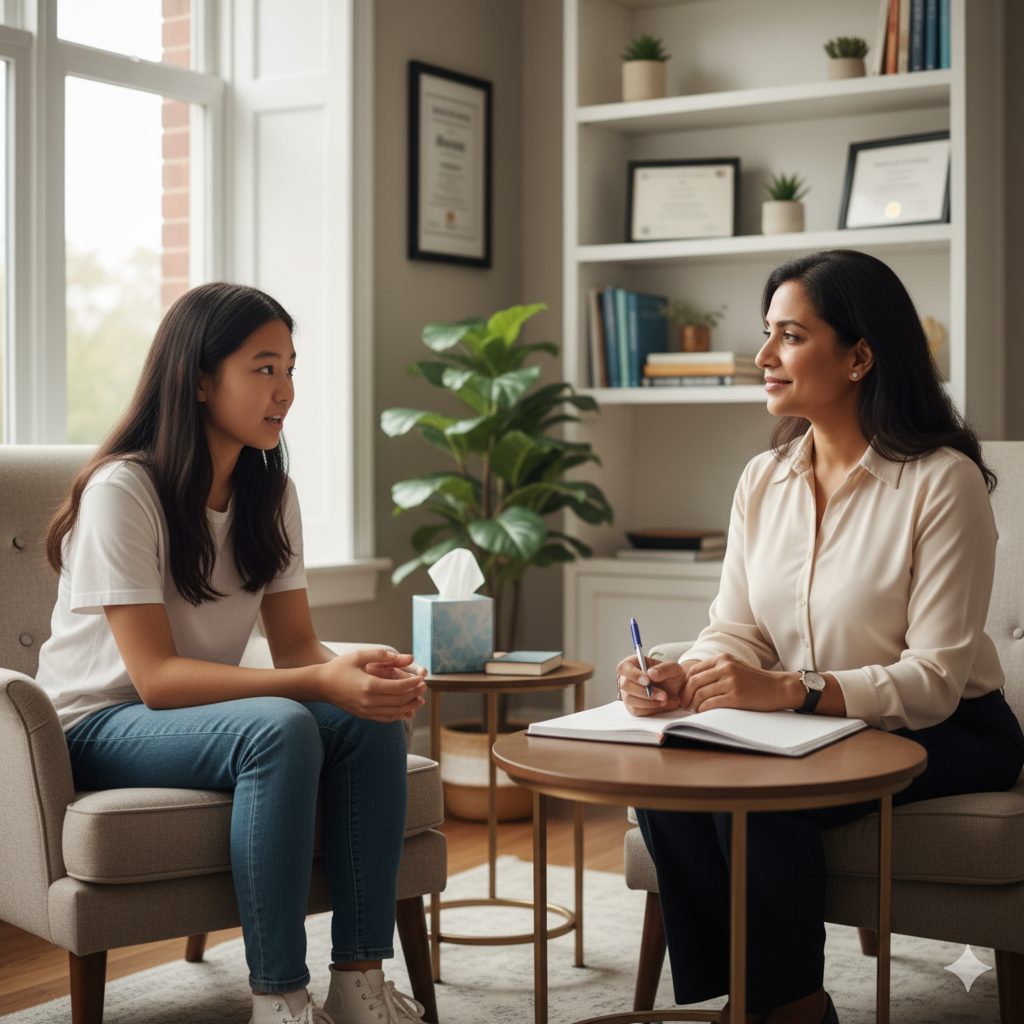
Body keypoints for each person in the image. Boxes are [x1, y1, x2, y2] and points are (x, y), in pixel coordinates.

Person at [616, 250, 1024, 1024]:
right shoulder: (761, 480)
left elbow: (935, 678)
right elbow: (733, 628)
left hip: (949, 729)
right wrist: (681, 673)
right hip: (806, 718)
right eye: (766, 334)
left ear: (860, 355)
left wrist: (792, 692)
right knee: (673, 761)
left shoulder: (943, 481)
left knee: (765, 800)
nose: (764, 357)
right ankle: (743, 997)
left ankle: (794, 1008)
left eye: (790, 336)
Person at [36, 282, 429, 1024]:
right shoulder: (125, 490)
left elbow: (297, 646)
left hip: (199, 713)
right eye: (263, 368)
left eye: (290, 368)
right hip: (98, 724)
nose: (284, 391)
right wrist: (318, 682)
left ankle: (358, 980)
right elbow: (152, 679)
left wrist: (364, 673)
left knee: (372, 719)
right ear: (199, 378)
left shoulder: (270, 494)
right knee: (280, 728)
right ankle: (278, 995)